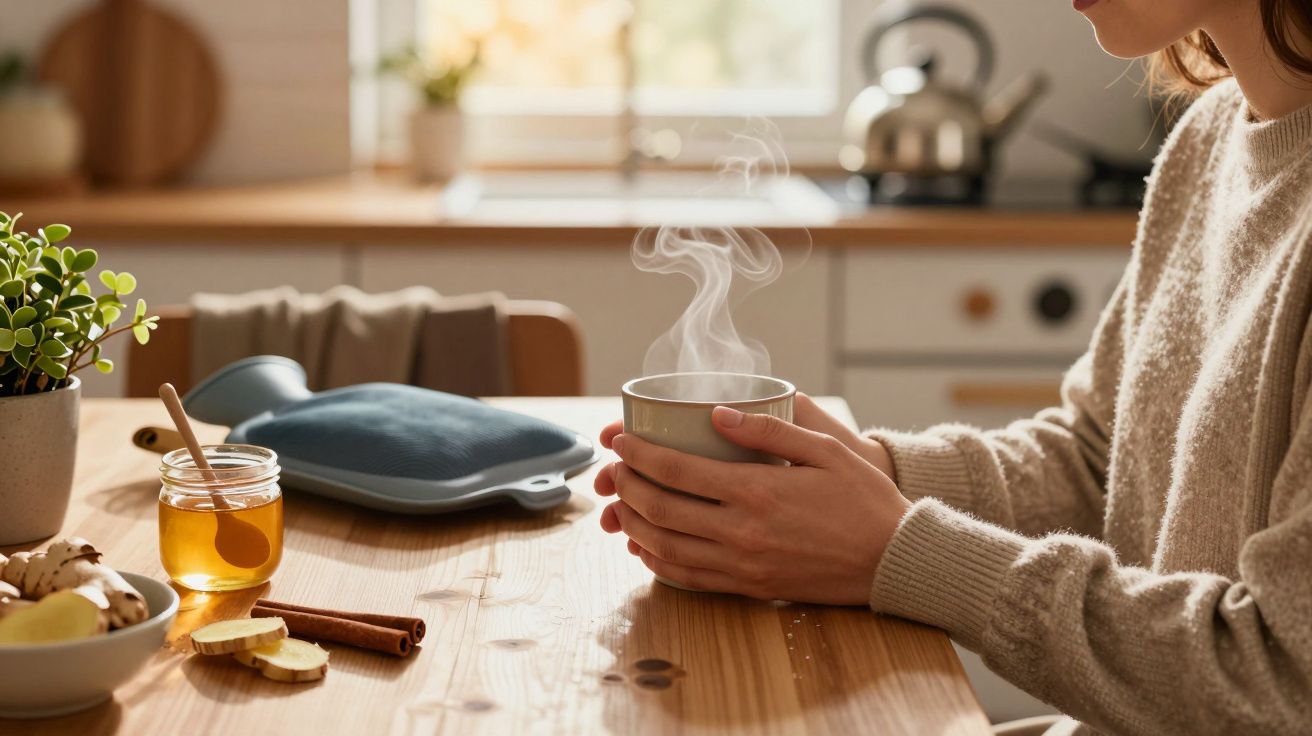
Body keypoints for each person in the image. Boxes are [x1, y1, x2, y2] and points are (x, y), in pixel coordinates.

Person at [593, 1, 1312, 734]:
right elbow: (1105, 461)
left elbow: (1284, 680)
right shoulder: (1208, 140)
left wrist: (899, 553)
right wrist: (876, 472)